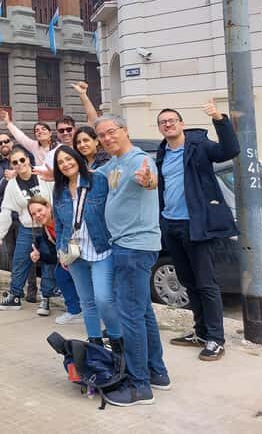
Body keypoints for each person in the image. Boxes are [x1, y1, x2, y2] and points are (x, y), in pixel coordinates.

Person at [94, 114, 170, 407]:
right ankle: (157, 372)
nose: (107, 138)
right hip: (127, 246)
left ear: (125, 130)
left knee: (130, 315)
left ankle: (140, 387)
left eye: (111, 132)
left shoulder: (141, 160)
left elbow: (150, 181)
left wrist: (149, 182)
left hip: (134, 247)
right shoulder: (114, 163)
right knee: (143, 312)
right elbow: (93, 174)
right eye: (102, 135)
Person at [156, 99, 240, 361]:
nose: (168, 125)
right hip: (171, 225)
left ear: (181, 124)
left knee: (206, 283)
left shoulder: (199, 145)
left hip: (196, 225)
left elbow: (230, 150)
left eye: (172, 120)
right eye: (163, 122)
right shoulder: (162, 152)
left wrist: (218, 119)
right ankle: (201, 332)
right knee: (188, 281)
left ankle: (216, 338)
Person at [52, 145, 117, 335]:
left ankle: (117, 339)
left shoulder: (97, 180)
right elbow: (59, 224)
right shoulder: (59, 189)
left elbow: (114, 206)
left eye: (69, 159)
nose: (66, 164)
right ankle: (94, 342)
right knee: (87, 302)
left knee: (104, 299)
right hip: (74, 253)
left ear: (77, 159)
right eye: (60, 162)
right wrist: (60, 250)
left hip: (101, 249)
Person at [0, 148, 54, 312]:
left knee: (48, 264)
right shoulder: (12, 185)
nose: (19, 164)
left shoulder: (42, 175)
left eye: (22, 160)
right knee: (20, 262)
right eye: (15, 162)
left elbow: (56, 196)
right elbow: (6, 211)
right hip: (27, 228)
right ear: (11, 165)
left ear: (28, 159)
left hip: (48, 227)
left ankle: (46, 298)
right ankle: (15, 296)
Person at [25, 196, 83, 325]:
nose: (38, 215)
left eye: (40, 210)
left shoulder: (62, 218)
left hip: (85, 252)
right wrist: (40, 256)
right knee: (60, 273)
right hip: (71, 256)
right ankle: (75, 311)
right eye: (33, 214)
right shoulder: (46, 231)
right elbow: (54, 257)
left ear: (48, 207)